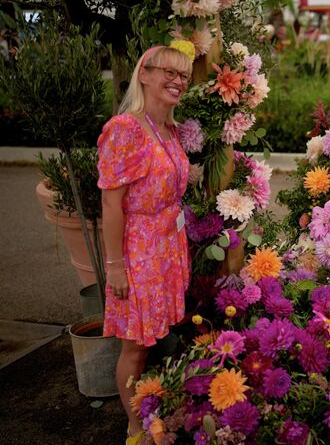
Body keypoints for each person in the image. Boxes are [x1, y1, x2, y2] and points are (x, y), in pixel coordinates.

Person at [97, 44, 192, 445]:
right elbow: (111, 202)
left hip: (166, 248)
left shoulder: (168, 129)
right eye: (168, 72)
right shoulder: (126, 128)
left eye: (184, 75)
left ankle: (150, 410)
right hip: (138, 253)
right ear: (144, 74)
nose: (177, 81)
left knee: (153, 340)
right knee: (135, 347)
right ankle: (134, 427)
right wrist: (115, 265)